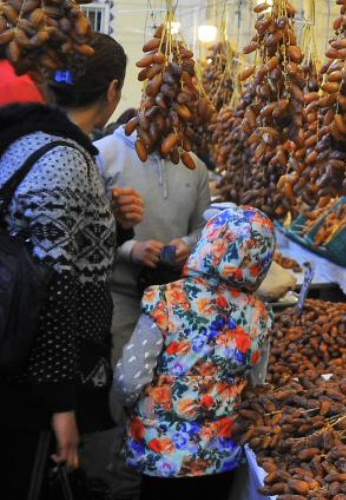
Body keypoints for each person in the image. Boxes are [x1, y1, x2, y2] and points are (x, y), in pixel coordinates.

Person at [0, 34, 145, 499]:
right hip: (26, 383)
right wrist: (61, 405)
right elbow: (56, 284)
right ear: (113, 92)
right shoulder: (63, 159)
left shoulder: (34, 142)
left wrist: (114, 227)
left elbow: (62, 250)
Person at [114, 206, 274, 500]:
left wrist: (133, 408)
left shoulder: (166, 299)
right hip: (222, 454)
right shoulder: (260, 316)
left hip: (163, 452)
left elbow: (129, 378)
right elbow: (256, 385)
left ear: (210, 241)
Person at [94, 116, 211, 500]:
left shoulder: (194, 166)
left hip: (176, 301)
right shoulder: (105, 154)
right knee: (126, 391)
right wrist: (131, 249)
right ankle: (122, 483)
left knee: (166, 399)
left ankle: (154, 483)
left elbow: (203, 230)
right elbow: (88, 232)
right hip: (122, 296)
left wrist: (186, 244)